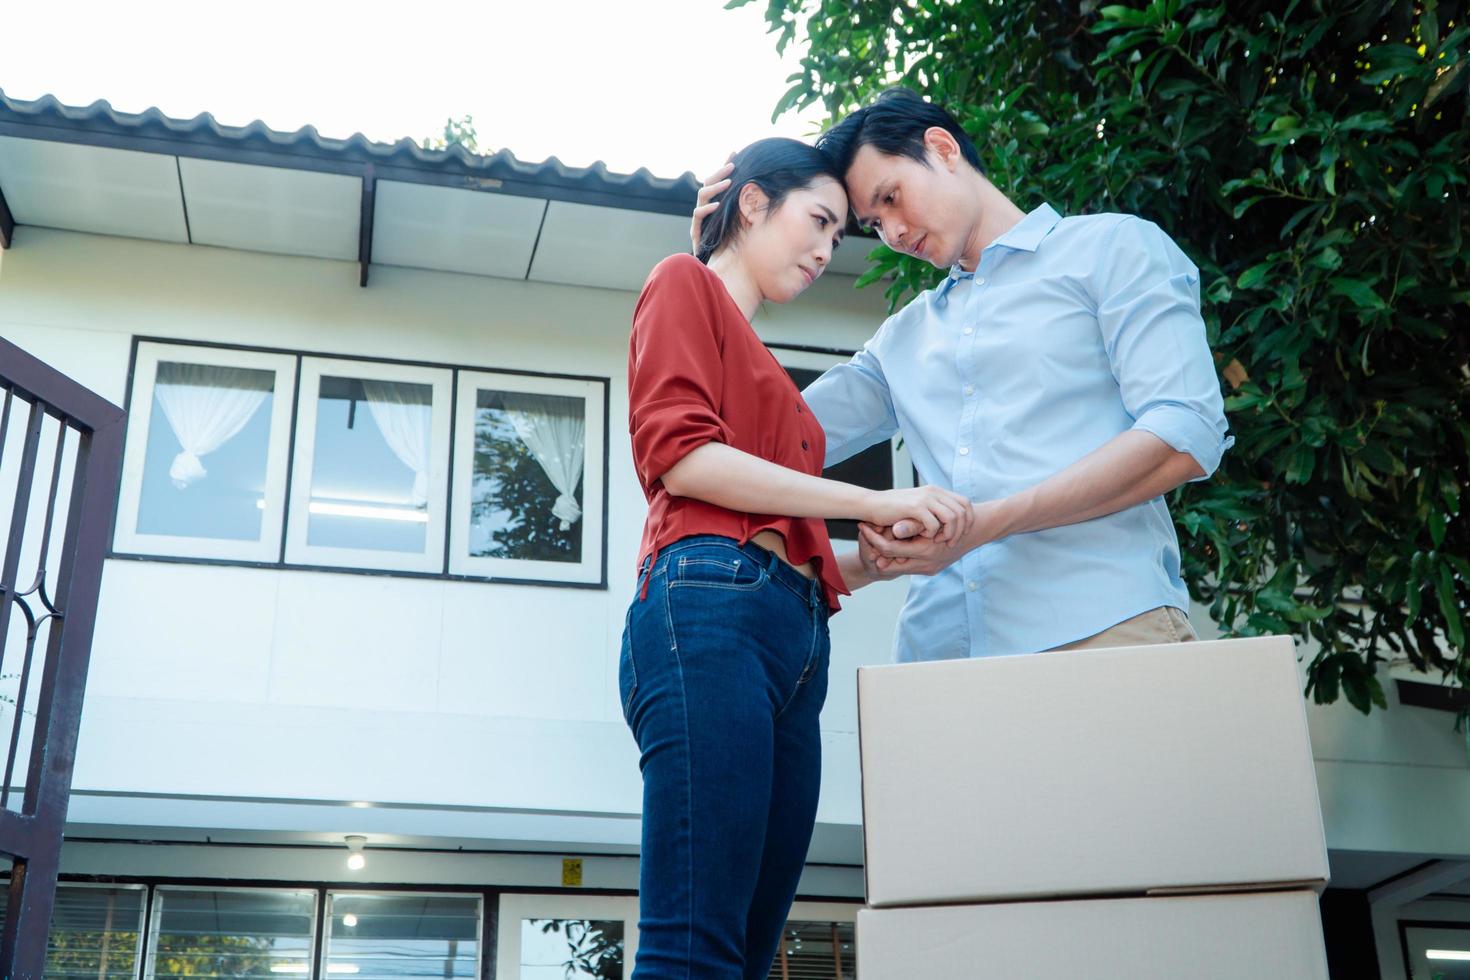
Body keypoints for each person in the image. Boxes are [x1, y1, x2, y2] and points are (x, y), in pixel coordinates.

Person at [691, 88, 1232, 660]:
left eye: (891, 197)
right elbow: (750, 438)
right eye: (874, 223)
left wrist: (987, 524)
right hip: (939, 657)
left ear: (943, 147)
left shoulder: (1112, 248)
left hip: (1104, 628)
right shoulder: (902, 338)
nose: (893, 233)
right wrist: (719, 272)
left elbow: (1185, 431)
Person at [622, 135, 971, 979]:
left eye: (837, 233)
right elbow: (683, 459)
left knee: (744, 956)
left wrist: (876, 561)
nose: (826, 249)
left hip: (794, 638)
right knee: (692, 947)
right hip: (709, 609)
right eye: (817, 220)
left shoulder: (769, 378)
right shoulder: (682, 282)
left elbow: (794, 549)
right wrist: (870, 500)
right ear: (752, 204)